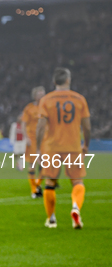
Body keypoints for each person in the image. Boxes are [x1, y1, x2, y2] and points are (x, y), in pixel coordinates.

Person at [36, 68, 91, 229]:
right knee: (77, 181)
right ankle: (75, 208)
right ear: (68, 80)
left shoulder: (46, 100)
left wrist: (39, 148)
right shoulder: (79, 99)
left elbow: (40, 126)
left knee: (50, 183)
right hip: (73, 146)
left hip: (52, 147)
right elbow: (87, 126)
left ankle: (51, 219)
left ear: (54, 82)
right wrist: (86, 144)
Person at [21, 86, 45, 198]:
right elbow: (23, 123)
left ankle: (37, 185)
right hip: (33, 139)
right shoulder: (29, 108)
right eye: (39, 94)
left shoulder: (47, 107)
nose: (42, 96)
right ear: (35, 96)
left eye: (43, 94)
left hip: (45, 139)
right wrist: (26, 137)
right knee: (32, 165)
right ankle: (34, 190)